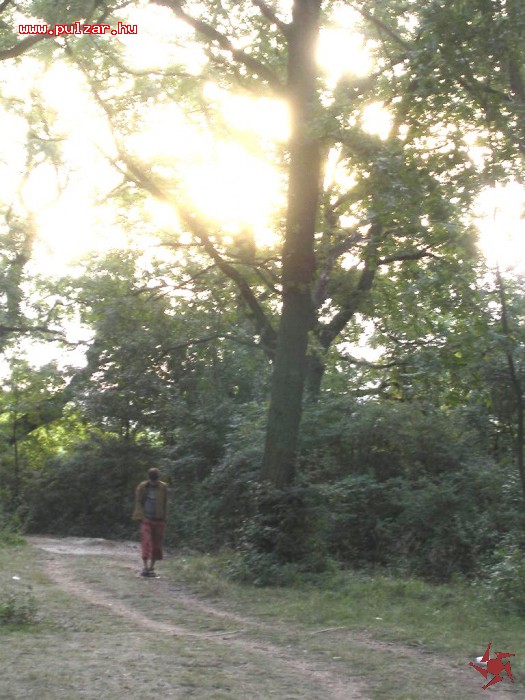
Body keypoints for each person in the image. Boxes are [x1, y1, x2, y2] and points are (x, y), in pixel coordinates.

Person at [133, 467, 168, 577]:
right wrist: (139, 515)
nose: (154, 482)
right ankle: (145, 567)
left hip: (159, 520)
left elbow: (165, 503)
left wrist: (164, 518)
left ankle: (151, 568)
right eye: (153, 480)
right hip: (146, 519)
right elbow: (138, 501)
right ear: (149, 479)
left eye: (156, 480)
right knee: (146, 543)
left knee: (157, 546)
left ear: (158, 478)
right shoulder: (143, 487)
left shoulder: (163, 487)